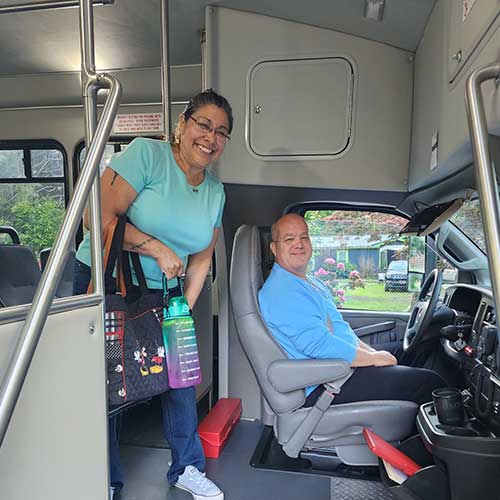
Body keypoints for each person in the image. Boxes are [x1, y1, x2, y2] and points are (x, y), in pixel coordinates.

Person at [73, 89, 232, 500]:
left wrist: (182, 311)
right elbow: (96, 219)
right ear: (182, 125)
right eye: (203, 125)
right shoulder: (147, 156)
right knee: (108, 380)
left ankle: (187, 468)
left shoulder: (215, 192)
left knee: (181, 379)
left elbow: (200, 261)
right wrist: (156, 247)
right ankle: (103, 478)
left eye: (221, 132)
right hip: (110, 286)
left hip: (169, 294)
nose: (210, 138)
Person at [258, 214, 446, 408]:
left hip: (339, 369)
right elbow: (319, 346)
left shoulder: (308, 282)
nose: (299, 244)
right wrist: (373, 359)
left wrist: (373, 354)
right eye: (289, 239)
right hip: (324, 384)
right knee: (429, 383)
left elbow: (339, 327)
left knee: (415, 350)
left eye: (304, 237)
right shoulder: (281, 292)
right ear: (274, 248)